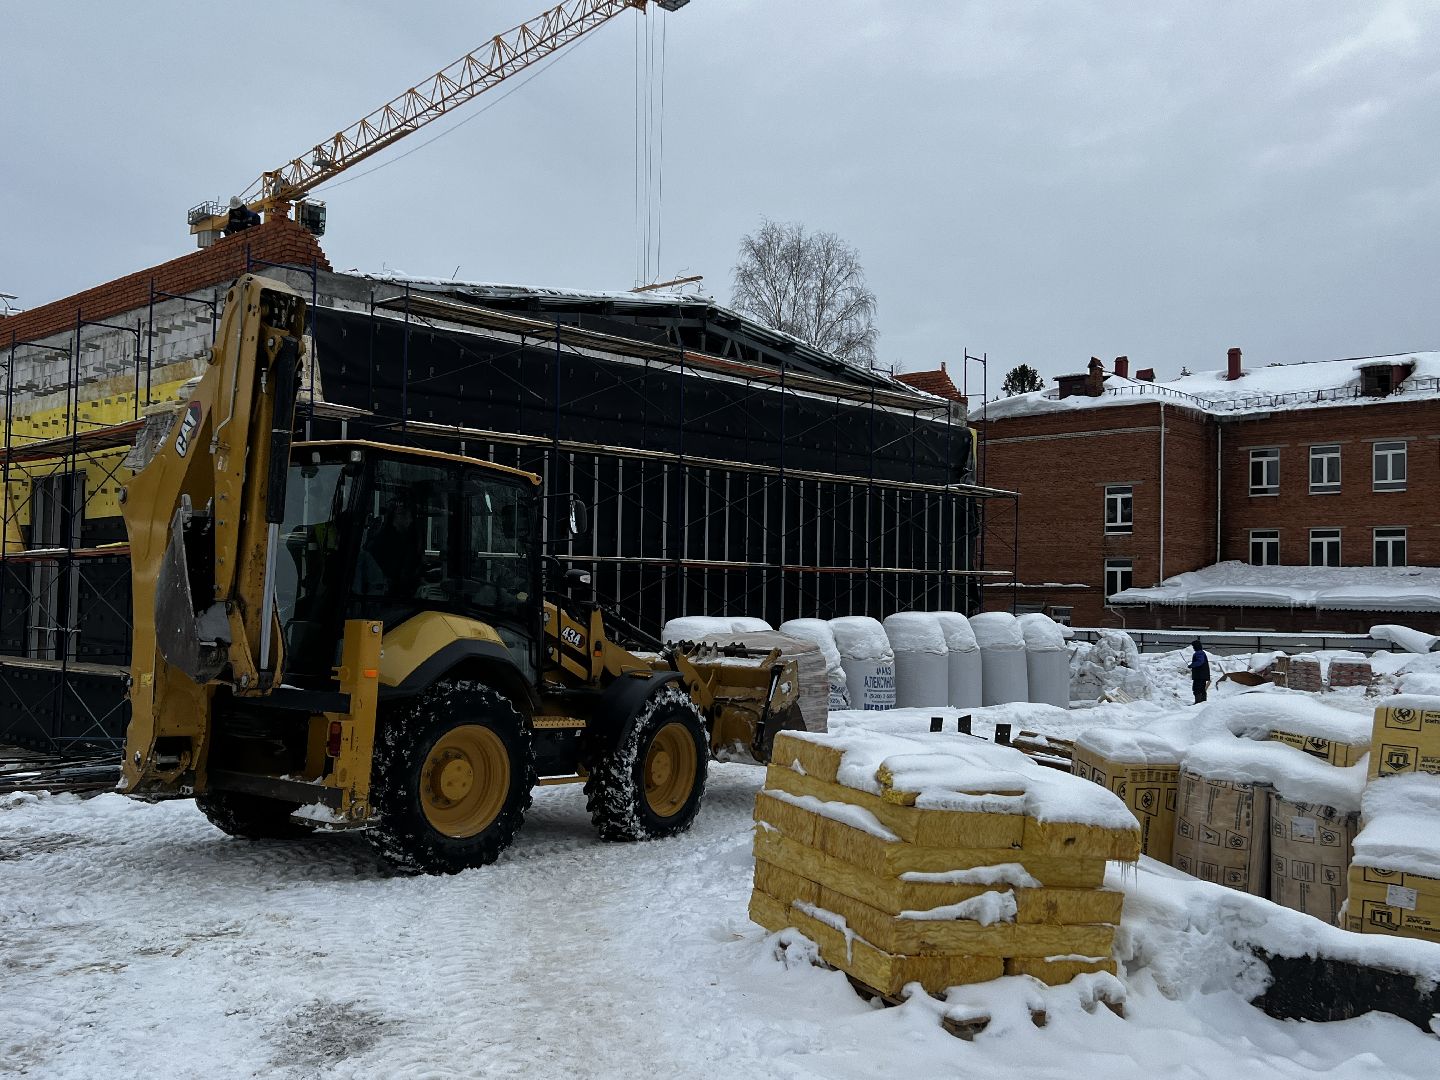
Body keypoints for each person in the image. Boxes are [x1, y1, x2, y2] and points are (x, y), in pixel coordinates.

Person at [1190, 638, 1211, 704]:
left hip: (1199, 675)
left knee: (1197, 688)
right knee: (1202, 689)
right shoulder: (1202, 653)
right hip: (1202, 675)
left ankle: (1198, 702)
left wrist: (1192, 665)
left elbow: (1200, 662)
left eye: (1193, 646)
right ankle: (1202, 702)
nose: (1193, 648)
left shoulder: (1199, 653)